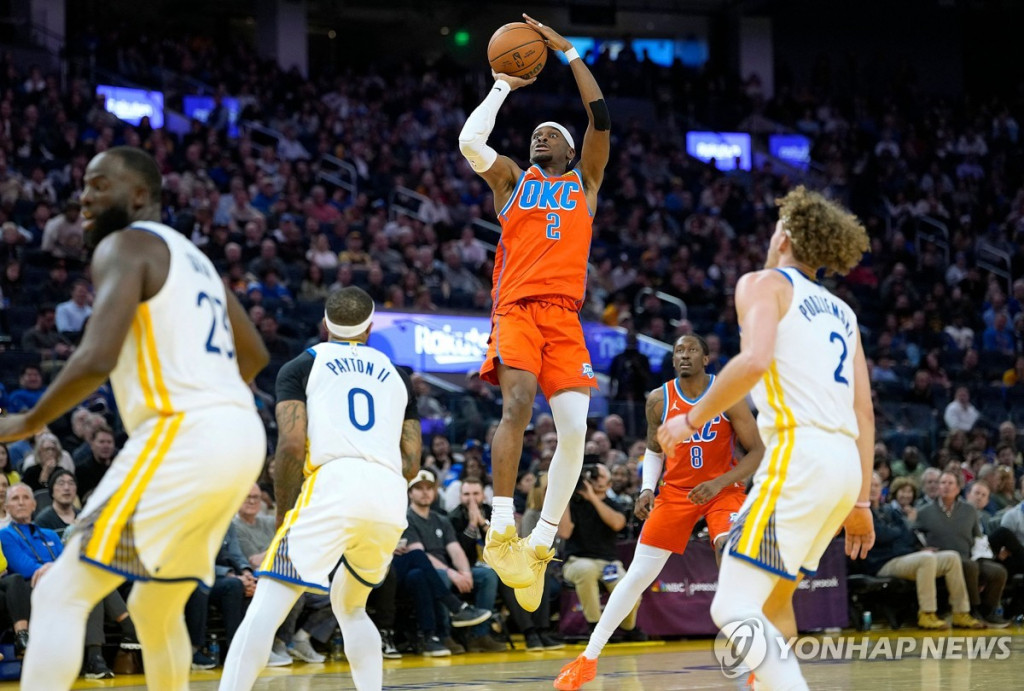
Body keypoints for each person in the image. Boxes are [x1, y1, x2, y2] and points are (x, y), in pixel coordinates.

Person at [0, 146, 269, 690]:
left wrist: (28, 421)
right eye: (83, 184)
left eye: (100, 184)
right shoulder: (194, 257)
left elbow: (95, 358)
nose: (85, 196)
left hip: (185, 431)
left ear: (140, 195)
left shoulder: (124, 244)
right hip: (240, 436)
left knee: (57, 591)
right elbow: (256, 354)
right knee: (155, 605)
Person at [656, 186, 875, 691]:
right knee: (773, 599)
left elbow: (754, 361)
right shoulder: (843, 312)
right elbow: (863, 409)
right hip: (842, 465)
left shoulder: (763, 283)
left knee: (731, 607)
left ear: (786, 234)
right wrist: (860, 497)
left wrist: (689, 420)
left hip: (800, 456)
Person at [457, 13, 612, 612]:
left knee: (574, 430)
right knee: (517, 403)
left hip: (563, 316)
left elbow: (600, 117)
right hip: (517, 309)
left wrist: (570, 53)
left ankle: (541, 543)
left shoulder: (586, 182)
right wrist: (502, 85)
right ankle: (501, 527)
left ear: (571, 150)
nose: (539, 137)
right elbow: (472, 143)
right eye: (535, 134)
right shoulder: (512, 183)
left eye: (551, 133)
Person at [220, 286, 423, 691]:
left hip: (333, 481)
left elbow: (292, 446)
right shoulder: (399, 376)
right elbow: (412, 461)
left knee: (267, 605)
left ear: (325, 326)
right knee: (350, 606)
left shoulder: (301, 366)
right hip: (388, 491)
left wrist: (284, 514)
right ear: (369, 328)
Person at [555, 334, 765, 689]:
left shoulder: (727, 395)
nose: (684, 355)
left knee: (731, 559)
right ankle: (588, 658)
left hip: (723, 490)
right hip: (677, 492)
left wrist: (718, 483)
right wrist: (647, 488)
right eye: (678, 351)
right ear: (672, 361)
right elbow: (654, 450)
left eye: (692, 350)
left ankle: (757, 661)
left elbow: (758, 451)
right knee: (637, 574)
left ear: (705, 358)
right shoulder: (658, 399)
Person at [862, 472, 985, 630]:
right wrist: (896, 532)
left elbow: (907, 534)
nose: (873, 489)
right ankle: (927, 613)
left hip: (903, 558)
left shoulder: (889, 512)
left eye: (876, 485)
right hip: (881, 563)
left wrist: (901, 536)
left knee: (951, 557)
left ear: (882, 489)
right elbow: (881, 535)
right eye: (869, 485)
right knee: (926, 559)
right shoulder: (862, 514)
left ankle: (960, 612)